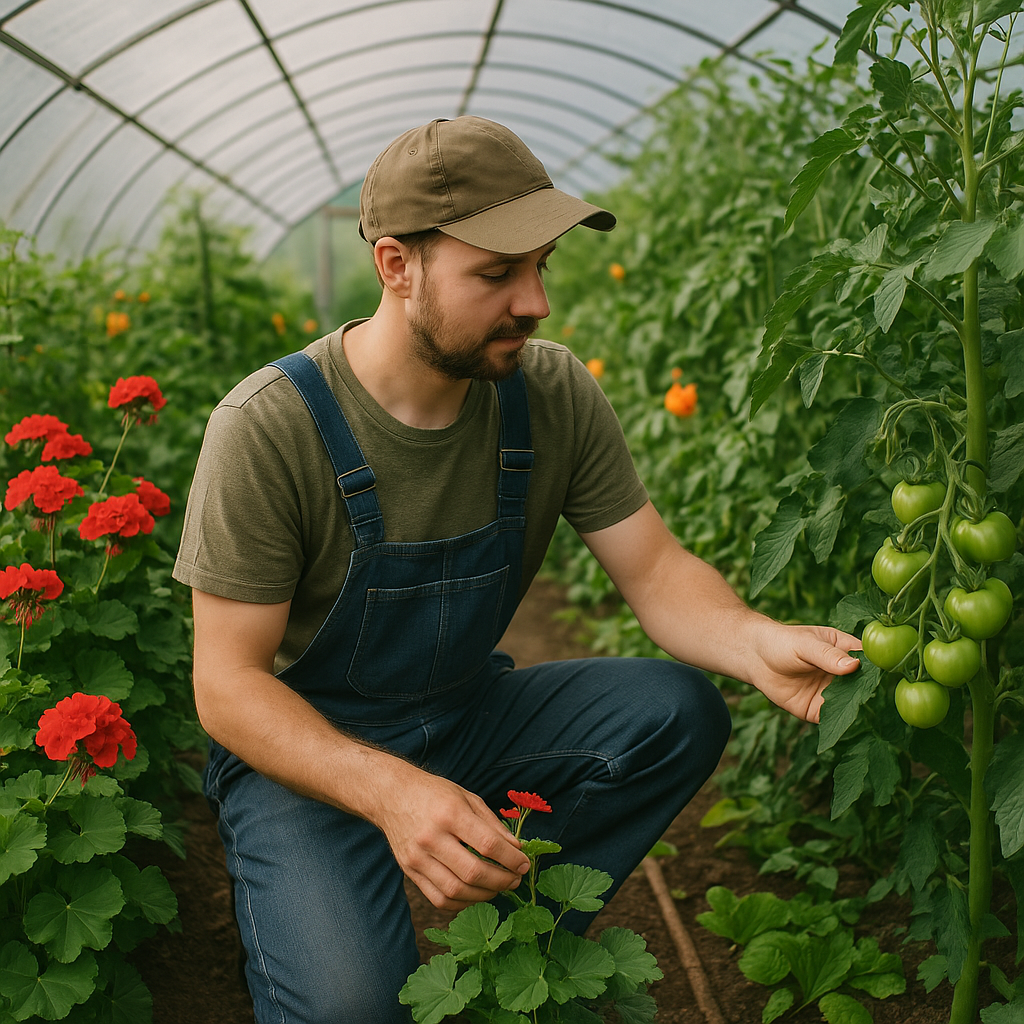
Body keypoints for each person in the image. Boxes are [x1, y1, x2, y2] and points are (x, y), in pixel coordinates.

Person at [173, 115, 861, 1024]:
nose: (534, 301)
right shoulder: (270, 426)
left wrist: (754, 640)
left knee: (675, 711)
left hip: (463, 721)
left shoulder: (549, 391)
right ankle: (350, 891)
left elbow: (654, 571)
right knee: (351, 1008)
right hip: (309, 759)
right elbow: (226, 688)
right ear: (396, 266)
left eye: (541, 266)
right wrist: (392, 793)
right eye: (497, 274)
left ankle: (509, 940)